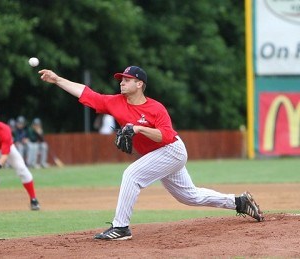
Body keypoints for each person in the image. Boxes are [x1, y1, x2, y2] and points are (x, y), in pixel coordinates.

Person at [38, 66, 264, 241]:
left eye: (127, 80)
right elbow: (87, 94)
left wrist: (138, 128)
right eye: (121, 80)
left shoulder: (156, 108)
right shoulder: (116, 103)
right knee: (189, 196)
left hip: (172, 151)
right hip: (158, 156)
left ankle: (121, 227)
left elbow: (165, 137)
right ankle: (239, 202)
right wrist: (57, 80)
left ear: (139, 84)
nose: (122, 83)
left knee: (131, 175)